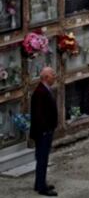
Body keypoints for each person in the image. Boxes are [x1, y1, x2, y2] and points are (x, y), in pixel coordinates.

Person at [30, 66, 58, 196]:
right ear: (46, 77)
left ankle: (39, 183)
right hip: (43, 132)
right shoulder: (40, 92)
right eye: (53, 74)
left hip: (45, 130)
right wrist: (45, 130)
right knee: (42, 159)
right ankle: (42, 187)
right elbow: (38, 115)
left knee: (43, 158)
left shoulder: (45, 90)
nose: (55, 76)